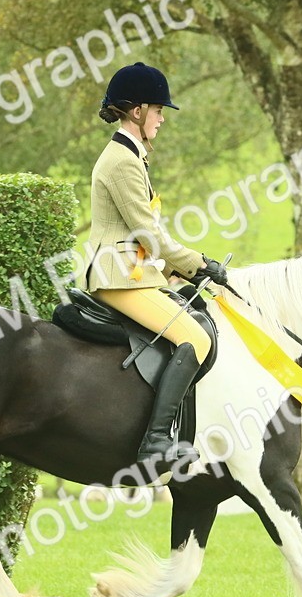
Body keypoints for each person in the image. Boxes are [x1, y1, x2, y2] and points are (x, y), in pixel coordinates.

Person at [86, 61, 228, 473]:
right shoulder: (122, 161)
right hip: (118, 279)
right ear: (137, 111)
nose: (162, 119)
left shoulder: (132, 157)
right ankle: (154, 443)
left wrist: (175, 272)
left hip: (132, 273)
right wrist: (200, 264)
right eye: (159, 111)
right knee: (194, 338)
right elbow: (151, 237)